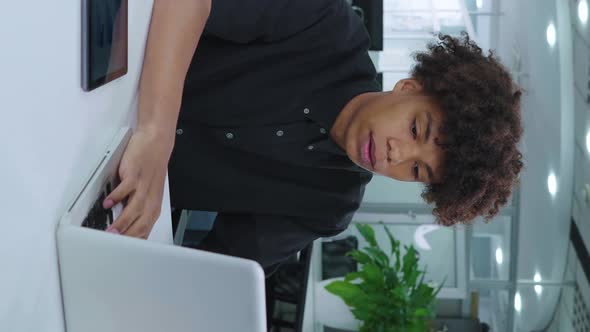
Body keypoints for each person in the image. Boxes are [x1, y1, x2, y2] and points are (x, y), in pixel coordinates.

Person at [103, 0, 523, 275]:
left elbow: (216, 271)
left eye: (417, 170)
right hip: (104, 63)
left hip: (105, 184)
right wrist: (157, 134)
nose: (396, 153)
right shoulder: (325, 24)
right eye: (416, 129)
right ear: (409, 88)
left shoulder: (330, 203)